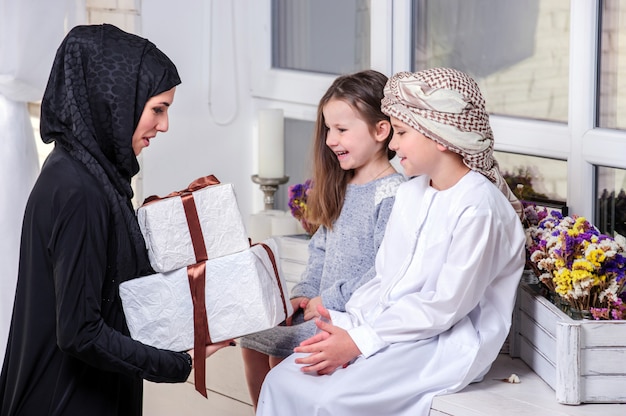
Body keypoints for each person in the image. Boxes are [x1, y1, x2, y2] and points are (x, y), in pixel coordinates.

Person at [256, 68, 527, 416]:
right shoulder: (414, 192)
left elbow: (443, 307)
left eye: (401, 132)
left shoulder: (480, 208)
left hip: (442, 341)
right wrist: (348, 325)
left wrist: (360, 341)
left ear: (440, 135)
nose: (394, 145)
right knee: (283, 381)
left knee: (332, 400)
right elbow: (386, 280)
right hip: (386, 324)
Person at [0, 24, 232, 416]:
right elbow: (81, 332)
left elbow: (114, 299)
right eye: (158, 109)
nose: (164, 125)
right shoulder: (80, 192)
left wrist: (187, 331)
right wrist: (177, 362)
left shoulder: (87, 174)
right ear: (116, 101)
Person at [240, 69, 405, 409]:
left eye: (342, 129)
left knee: (282, 355)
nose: (330, 139)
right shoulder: (341, 187)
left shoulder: (392, 195)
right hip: (320, 308)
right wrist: (303, 294)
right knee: (253, 341)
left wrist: (327, 300)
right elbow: (319, 251)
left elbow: (382, 271)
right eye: (328, 129)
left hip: (349, 316)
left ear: (380, 130)